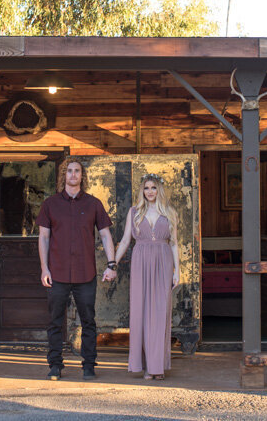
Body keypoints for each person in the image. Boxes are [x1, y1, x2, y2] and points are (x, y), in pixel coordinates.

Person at [37, 159, 117, 381]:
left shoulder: (93, 204)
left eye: (77, 171)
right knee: (54, 321)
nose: (73, 175)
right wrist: (44, 268)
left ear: (82, 176)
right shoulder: (50, 204)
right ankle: (55, 366)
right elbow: (43, 237)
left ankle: (89, 366)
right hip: (57, 273)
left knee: (88, 321)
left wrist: (112, 264)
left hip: (85, 273)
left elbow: (105, 235)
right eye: (69, 171)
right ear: (64, 175)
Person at [113, 173, 180, 380]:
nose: (149, 191)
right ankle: (142, 365)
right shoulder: (134, 212)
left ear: (159, 190)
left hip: (163, 260)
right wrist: (112, 263)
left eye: (153, 188)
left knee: (160, 313)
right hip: (140, 261)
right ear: (142, 191)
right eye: (146, 188)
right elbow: (125, 241)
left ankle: (156, 366)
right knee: (140, 312)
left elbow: (175, 243)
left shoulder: (169, 212)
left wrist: (177, 270)